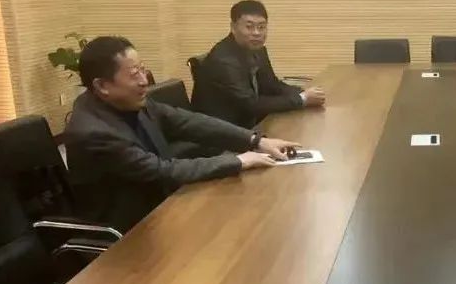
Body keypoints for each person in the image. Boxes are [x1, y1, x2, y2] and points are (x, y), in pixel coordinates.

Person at [65, 36, 300, 231]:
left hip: (162, 205)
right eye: (134, 74)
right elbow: (161, 171)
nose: (144, 81)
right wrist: (238, 161)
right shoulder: (95, 133)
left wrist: (254, 140)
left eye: (143, 70)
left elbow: (187, 122)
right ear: (102, 86)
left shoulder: (129, 102)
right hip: (130, 229)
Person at [192, 0, 326, 128]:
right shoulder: (223, 60)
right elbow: (251, 105)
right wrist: (301, 99)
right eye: (249, 27)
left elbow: (272, 86)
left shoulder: (257, 50)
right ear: (233, 27)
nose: (256, 33)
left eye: (261, 27)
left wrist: (304, 93)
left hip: (249, 123)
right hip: (223, 131)